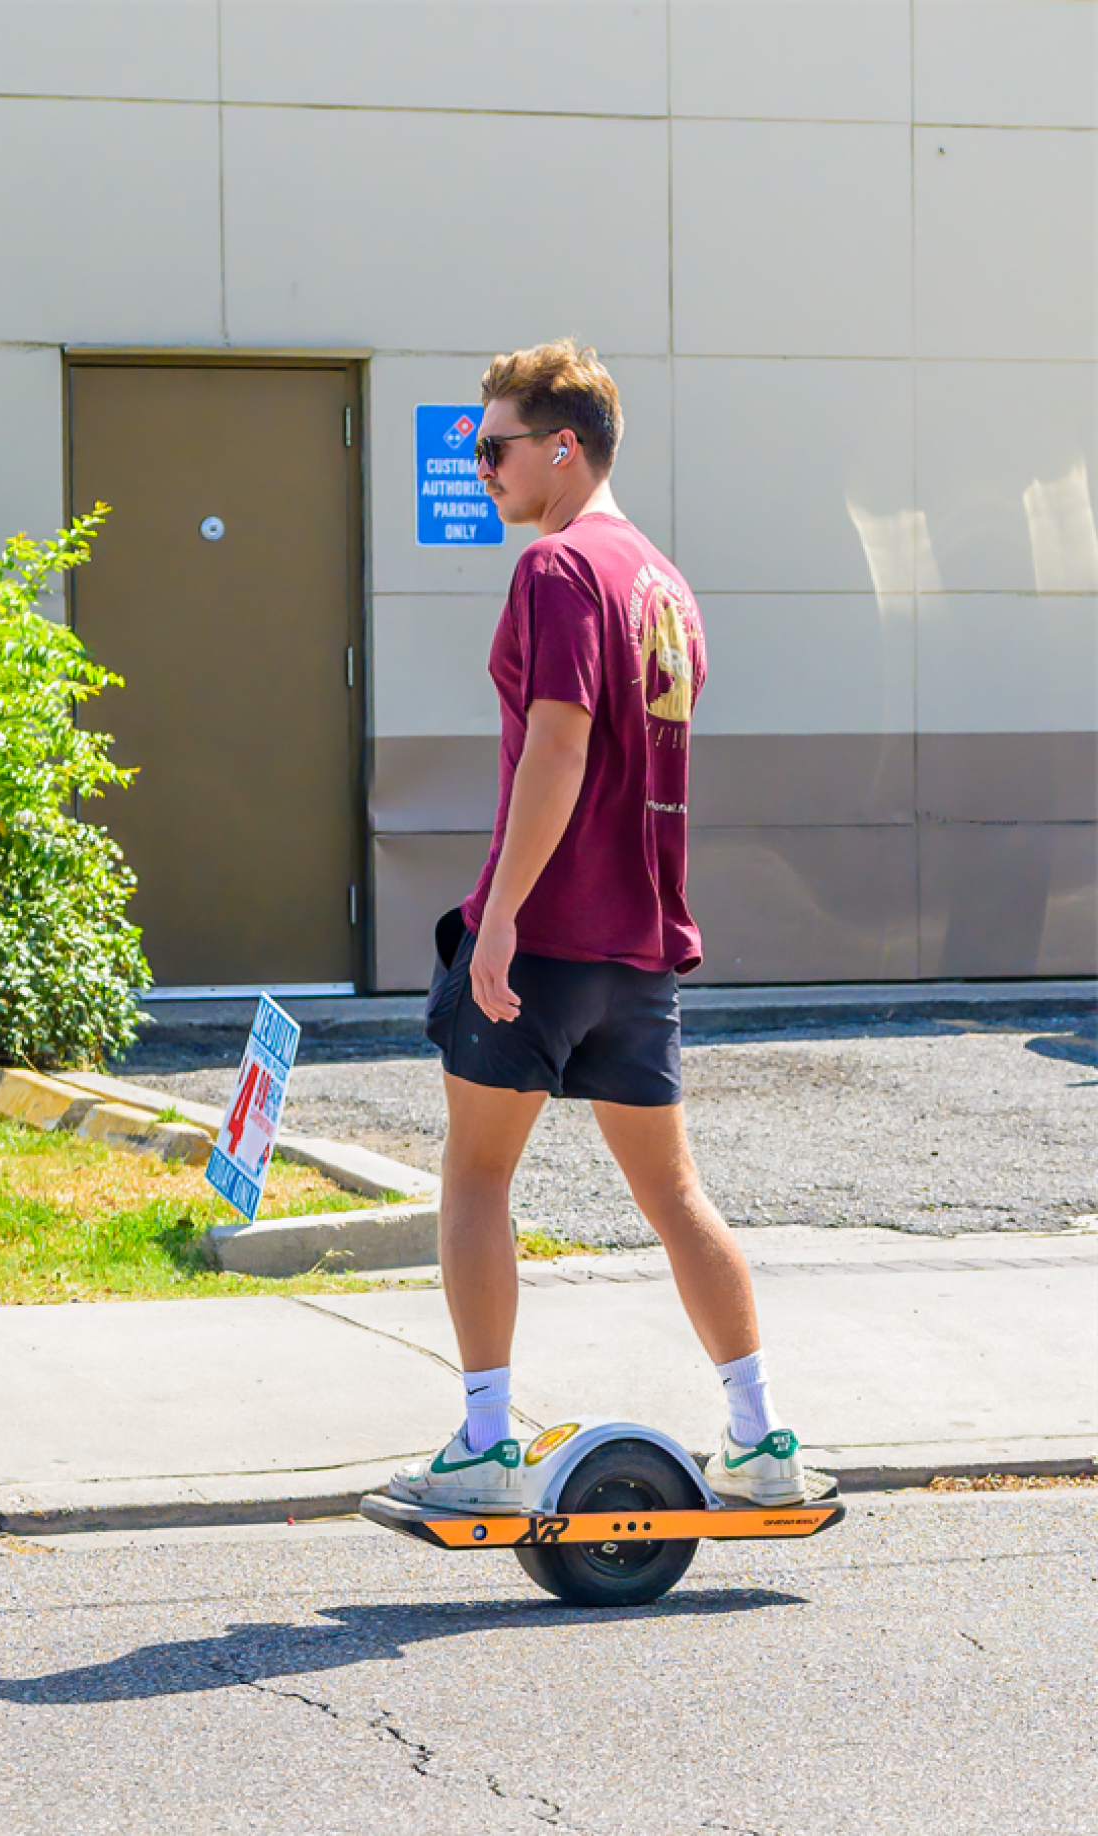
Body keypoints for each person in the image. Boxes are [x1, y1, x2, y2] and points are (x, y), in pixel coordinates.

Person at [386, 339, 812, 1514]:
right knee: (673, 1194)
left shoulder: (558, 570)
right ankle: (759, 1435)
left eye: (494, 446)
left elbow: (561, 744)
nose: (480, 467)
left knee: (474, 1177)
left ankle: (481, 1446)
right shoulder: (662, 585)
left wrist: (501, 921)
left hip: (548, 935)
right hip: (639, 945)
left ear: (560, 446)